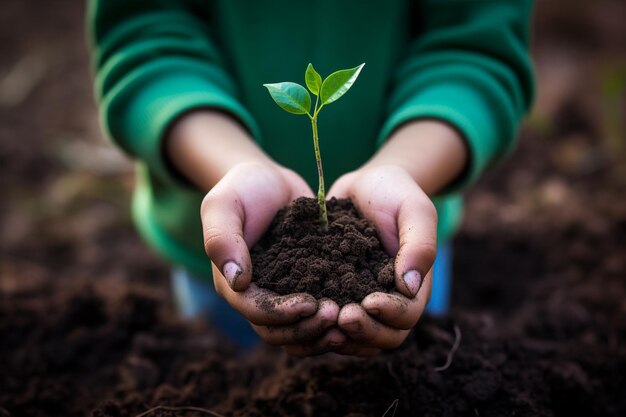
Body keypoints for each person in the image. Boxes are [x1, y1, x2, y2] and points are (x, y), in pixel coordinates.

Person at [88, 0, 534, 356]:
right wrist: (233, 167)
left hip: (398, 234)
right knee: (227, 378)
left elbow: (476, 47)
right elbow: (144, 33)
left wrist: (402, 169)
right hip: (222, 247)